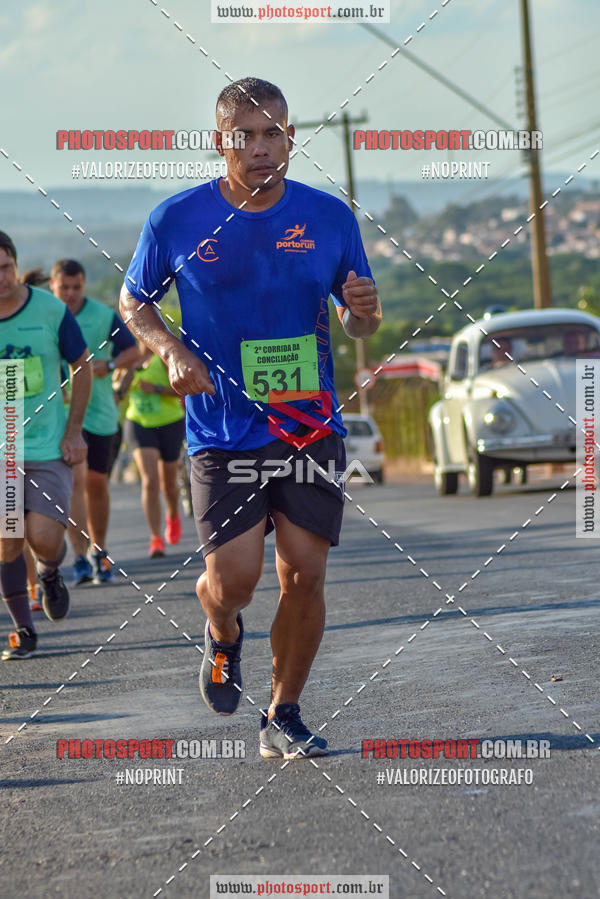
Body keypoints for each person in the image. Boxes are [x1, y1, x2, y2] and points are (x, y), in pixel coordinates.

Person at [120, 77, 381, 759]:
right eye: (247, 136)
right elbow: (133, 303)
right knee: (235, 579)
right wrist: (172, 349)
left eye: (276, 133)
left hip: (308, 425)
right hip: (222, 428)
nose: (263, 148)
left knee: (305, 573)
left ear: (291, 136)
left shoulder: (330, 217)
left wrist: (365, 314)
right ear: (220, 141)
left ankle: (283, 712)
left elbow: (355, 321)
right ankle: (223, 629)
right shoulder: (175, 219)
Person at [0, 231, 91, 660]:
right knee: (7, 539)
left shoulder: (50, 310)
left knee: (44, 538)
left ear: (15, 266)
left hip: (47, 446)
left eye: (4, 268)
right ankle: (23, 630)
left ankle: (50, 571)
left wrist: (74, 432)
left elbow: (83, 366)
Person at [49, 260, 138, 585]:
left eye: (77, 288)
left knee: (96, 485)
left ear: (83, 285)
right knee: (75, 480)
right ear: (53, 286)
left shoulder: (102, 315)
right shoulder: (45, 314)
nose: (71, 294)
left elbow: (135, 350)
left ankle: (99, 550)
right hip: (59, 416)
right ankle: (79, 555)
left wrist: (111, 363)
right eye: (64, 288)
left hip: (100, 414)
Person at [119, 344, 186, 557]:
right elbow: (119, 392)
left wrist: (156, 388)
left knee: (168, 484)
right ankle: (155, 538)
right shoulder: (129, 359)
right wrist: (123, 375)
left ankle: (173, 515)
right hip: (139, 422)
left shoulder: (163, 357)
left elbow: (180, 391)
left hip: (169, 422)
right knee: (149, 481)